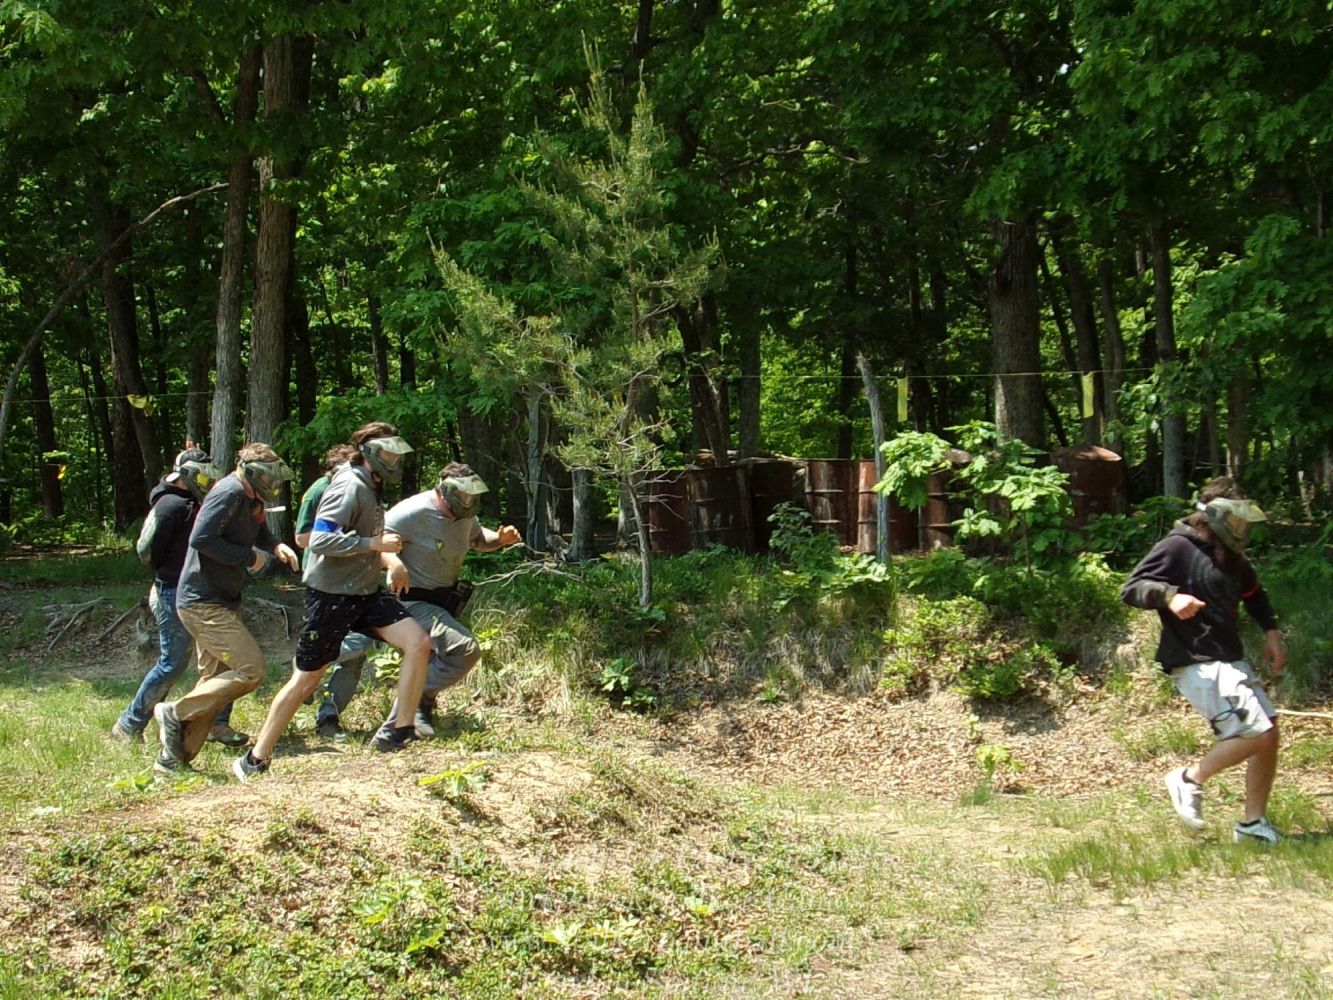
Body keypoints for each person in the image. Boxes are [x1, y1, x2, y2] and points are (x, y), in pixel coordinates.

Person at [232, 422, 433, 781]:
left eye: (396, 455)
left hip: (365, 592)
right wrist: (373, 545)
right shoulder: (349, 484)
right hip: (330, 596)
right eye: (388, 454)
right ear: (370, 454)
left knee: (418, 643)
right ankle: (255, 758)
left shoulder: (371, 484)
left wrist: (384, 556)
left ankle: (398, 731)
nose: (394, 462)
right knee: (307, 680)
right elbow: (320, 539)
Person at [1121, 477, 1286, 845]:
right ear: (1214, 515)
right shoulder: (1178, 546)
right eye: (1235, 520)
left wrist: (1272, 633)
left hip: (1229, 658)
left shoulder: (1232, 556)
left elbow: (1254, 593)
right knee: (1254, 732)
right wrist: (1169, 596)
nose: (1240, 528)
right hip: (1195, 660)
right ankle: (1188, 779)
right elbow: (1132, 588)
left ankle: (1253, 826)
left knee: (1269, 733)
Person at [320, 462, 520, 743]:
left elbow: (477, 539)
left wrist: (499, 539)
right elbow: (375, 543)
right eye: (463, 496)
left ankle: (415, 709)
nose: (468, 501)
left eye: (472, 496)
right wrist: (394, 563)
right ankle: (345, 708)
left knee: (439, 653)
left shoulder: (464, 515)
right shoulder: (411, 511)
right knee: (462, 648)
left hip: (440, 599)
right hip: (407, 599)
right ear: (446, 490)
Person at [152, 443, 300, 774]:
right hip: (202, 602)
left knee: (214, 681)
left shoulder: (250, 498)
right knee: (251, 671)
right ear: (251, 472)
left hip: (222, 599)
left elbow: (259, 530)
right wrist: (249, 557)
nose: (272, 484)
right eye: (268, 477)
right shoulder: (228, 492)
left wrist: (275, 545)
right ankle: (175, 712)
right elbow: (201, 538)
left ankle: (172, 759)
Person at [111, 448, 246, 747]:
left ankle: (216, 724)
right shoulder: (170, 505)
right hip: (173, 591)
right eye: (201, 475)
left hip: (205, 593)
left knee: (225, 659)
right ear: (186, 475)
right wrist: (174, 573)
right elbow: (148, 552)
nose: (206, 481)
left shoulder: (196, 502)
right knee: (172, 663)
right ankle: (129, 724)